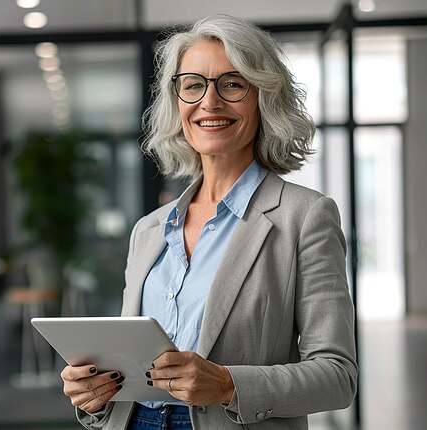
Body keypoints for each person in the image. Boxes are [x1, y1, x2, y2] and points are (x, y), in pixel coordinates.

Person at [60, 14, 357, 430]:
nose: (210, 102)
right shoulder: (149, 229)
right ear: (177, 100)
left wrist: (227, 383)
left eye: (232, 84)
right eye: (193, 84)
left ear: (263, 98)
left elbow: (337, 377)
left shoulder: (305, 217)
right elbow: (127, 369)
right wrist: (94, 394)